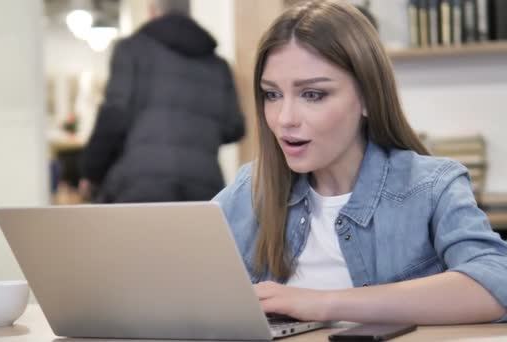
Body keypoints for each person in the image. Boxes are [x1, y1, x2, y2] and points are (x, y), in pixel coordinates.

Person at [213, 0, 507, 324]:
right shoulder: (251, 189)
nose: (284, 119)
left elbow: (495, 284)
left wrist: (323, 304)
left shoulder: (432, 186)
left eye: (312, 94)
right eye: (272, 94)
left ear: (367, 97)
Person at [80, 0, 245, 203]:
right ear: (189, 12)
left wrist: (91, 171)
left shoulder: (131, 50)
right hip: (203, 188)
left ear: (152, 11)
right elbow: (234, 127)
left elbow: (114, 117)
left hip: (139, 185)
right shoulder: (219, 66)